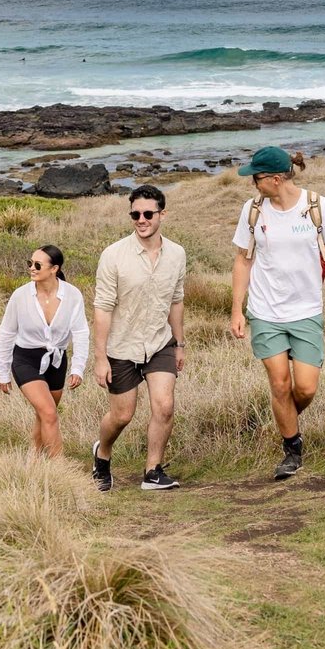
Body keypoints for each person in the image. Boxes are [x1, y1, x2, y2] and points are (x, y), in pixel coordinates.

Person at [230, 146, 325, 480]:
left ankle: (286, 419)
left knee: (306, 389)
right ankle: (292, 449)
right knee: (280, 384)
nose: (253, 184)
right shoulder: (252, 211)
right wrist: (237, 310)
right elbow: (243, 260)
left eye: (257, 178)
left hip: (307, 310)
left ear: (277, 178)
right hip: (265, 311)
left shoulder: (316, 206)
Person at [91, 184, 186, 492]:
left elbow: (176, 300)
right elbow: (103, 308)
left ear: (163, 214)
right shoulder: (113, 255)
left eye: (147, 214)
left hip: (160, 343)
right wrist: (100, 357)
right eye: (135, 214)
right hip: (121, 347)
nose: (141, 220)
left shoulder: (177, 254)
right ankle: (102, 454)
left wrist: (180, 343)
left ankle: (153, 471)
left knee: (165, 405)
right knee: (122, 415)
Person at [0, 245, 89, 461]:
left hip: (57, 361)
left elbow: (81, 332)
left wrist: (78, 368)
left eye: (38, 265)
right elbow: (7, 333)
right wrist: (2, 371)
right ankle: (60, 468)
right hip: (26, 359)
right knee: (49, 413)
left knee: (44, 414)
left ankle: (34, 457)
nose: (32, 268)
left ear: (54, 268)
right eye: (30, 263)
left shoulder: (72, 295)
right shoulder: (20, 296)